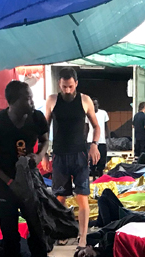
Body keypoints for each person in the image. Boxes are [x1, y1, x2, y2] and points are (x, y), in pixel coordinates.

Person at [0, 81, 50, 257]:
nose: (32, 101)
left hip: (31, 184)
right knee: (9, 233)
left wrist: (39, 156)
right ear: (14, 101)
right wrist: (9, 181)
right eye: (28, 98)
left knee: (37, 229)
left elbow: (45, 140)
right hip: (7, 185)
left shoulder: (37, 118)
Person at [45, 68, 100, 247]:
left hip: (80, 155)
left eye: (70, 86)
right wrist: (44, 153)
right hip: (60, 155)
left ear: (76, 83)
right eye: (63, 87)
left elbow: (96, 126)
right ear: (59, 85)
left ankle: (82, 236)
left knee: (82, 197)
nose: (67, 90)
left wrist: (94, 145)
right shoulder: (52, 100)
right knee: (60, 198)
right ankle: (62, 232)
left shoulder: (85, 100)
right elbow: (45, 128)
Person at [86, 98, 108, 177]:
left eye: (95, 104)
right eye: (93, 104)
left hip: (102, 140)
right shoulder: (88, 114)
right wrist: (85, 139)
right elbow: (86, 128)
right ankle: (94, 177)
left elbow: (106, 126)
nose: (94, 106)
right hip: (91, 140)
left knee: (102, 159)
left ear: (98, 105)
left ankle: (101, 176)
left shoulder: (103, 113)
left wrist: (108, 137)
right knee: (92, 160)